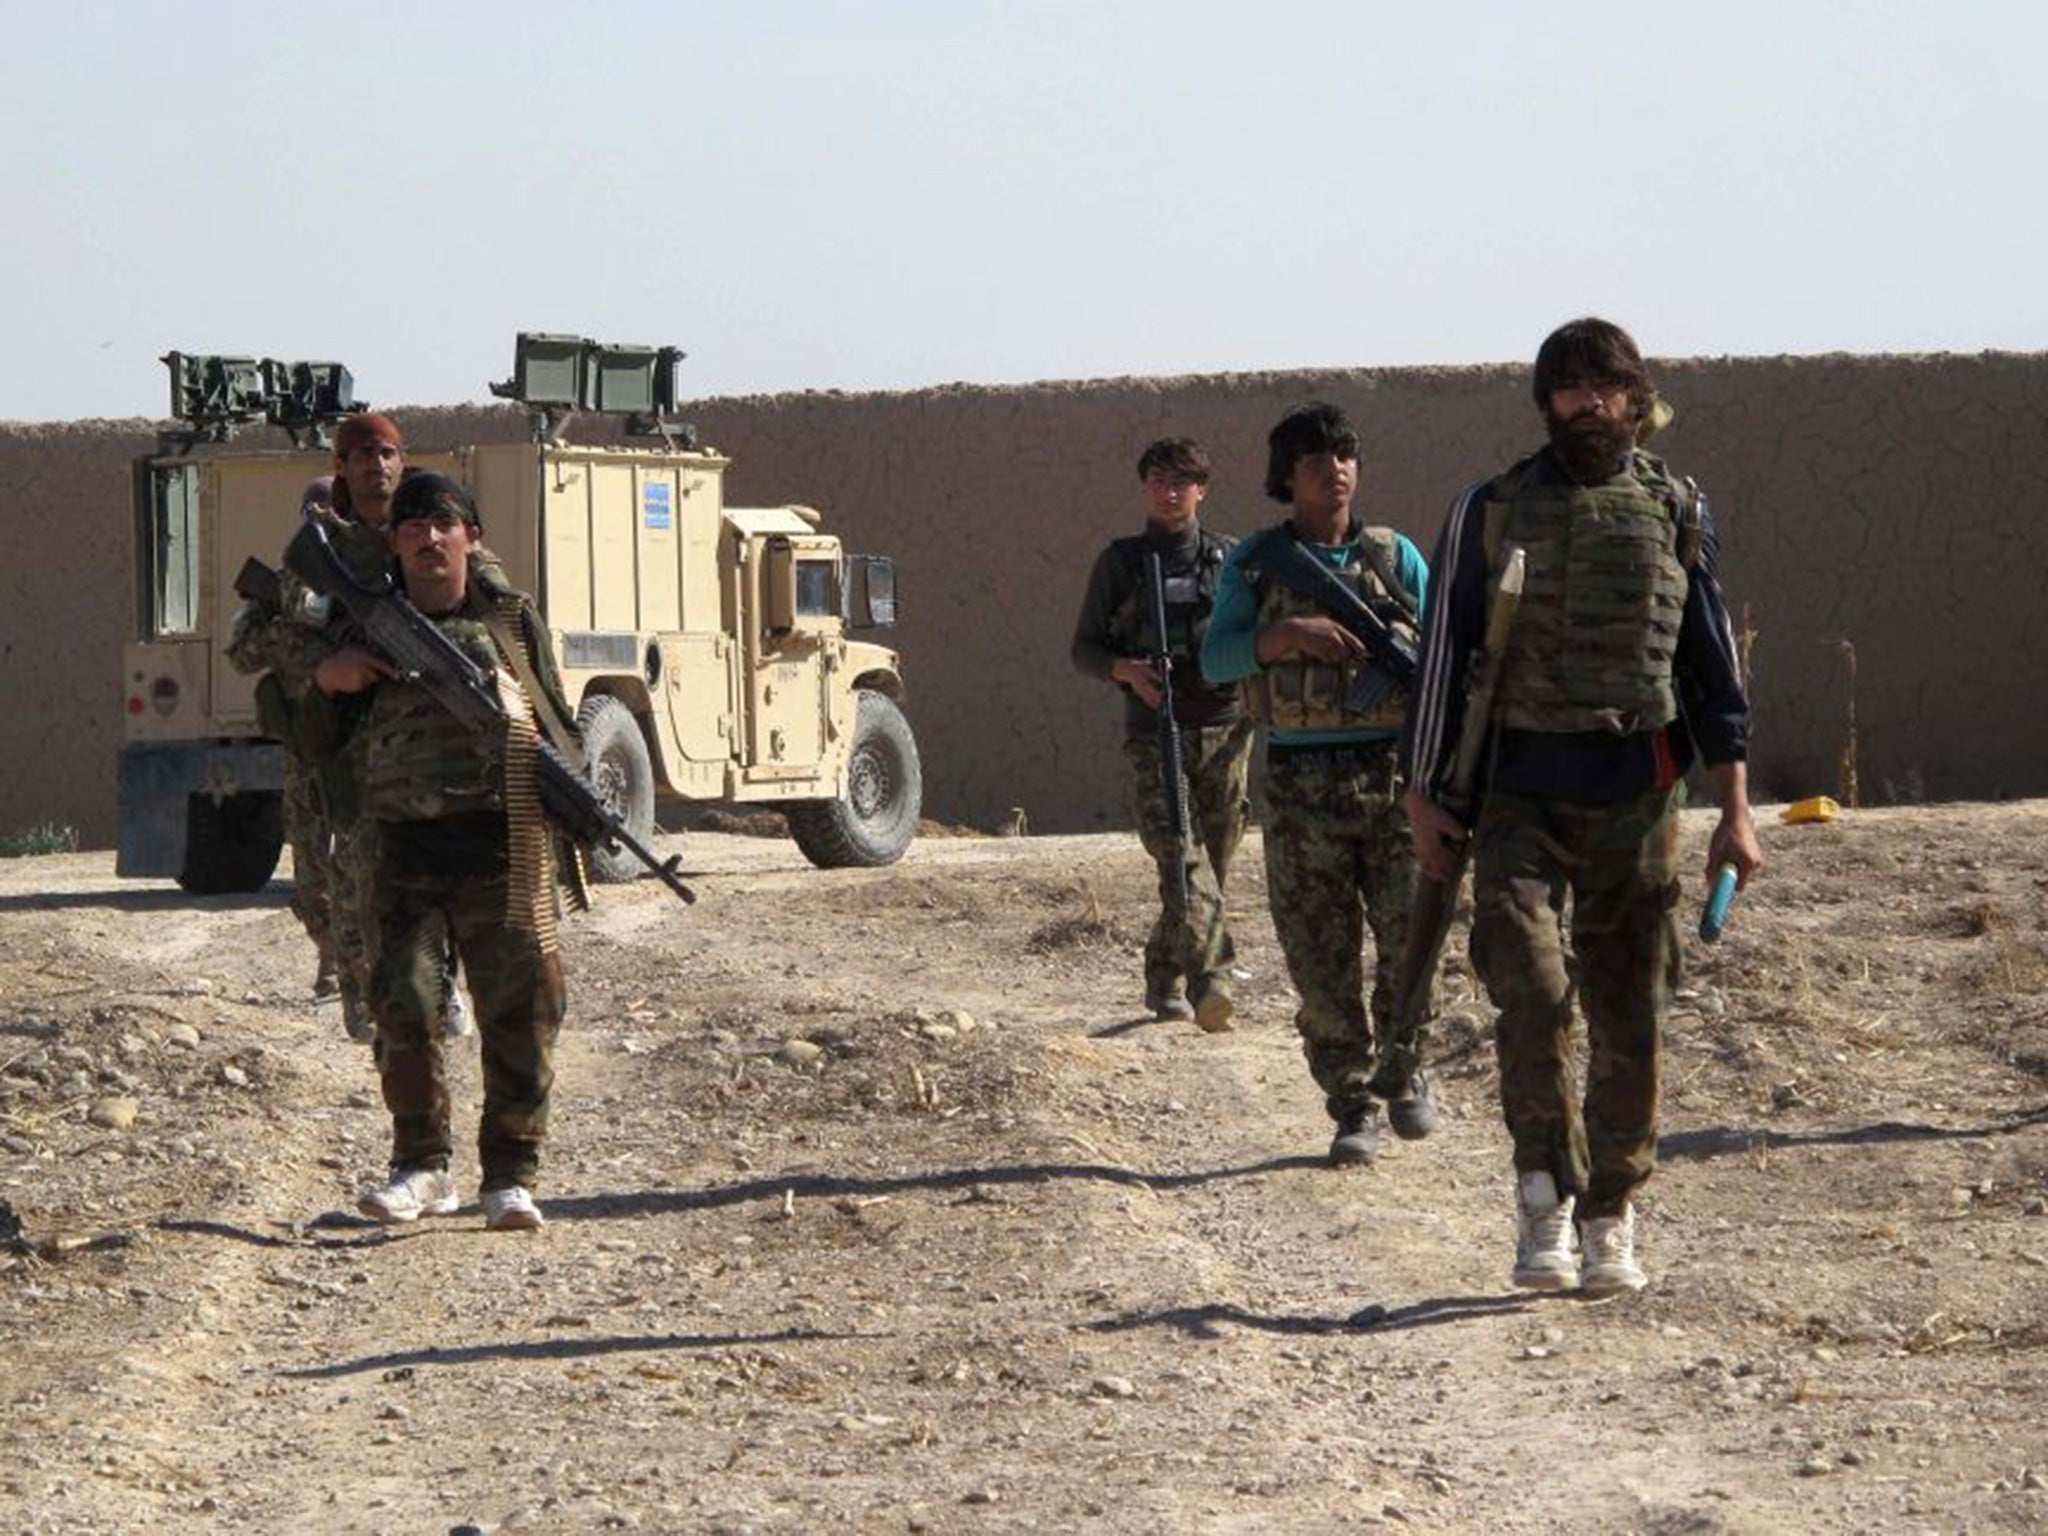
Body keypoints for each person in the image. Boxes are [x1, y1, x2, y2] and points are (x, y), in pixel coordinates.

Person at [1400, 317, 1762, 1296]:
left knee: (1627, 1009)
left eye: (1603, 388)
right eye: (1566, 390)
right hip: (1516, 792)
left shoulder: (1677, 508)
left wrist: (1733, 810)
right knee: (1528, 989)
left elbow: (1708, 673)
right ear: (1544, 405)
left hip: (1637, 796)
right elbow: (1443, 658)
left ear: (1636, 401)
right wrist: (1419, 794)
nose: (1585, 405)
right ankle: (1540, 1197)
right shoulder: (1488, 508)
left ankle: (1610, 1211)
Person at [319, 472, 575, 1231]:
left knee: (522, 1008)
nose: (429, 539)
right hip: (401, 849)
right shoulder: (360, 623)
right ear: (392, 542)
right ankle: (422, 1168)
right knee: (404, 1006)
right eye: (411, 527)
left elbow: (560, 730)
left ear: (472, 537)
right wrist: (327, 681)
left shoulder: (510, 624)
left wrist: (511, 709)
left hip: (503, 846)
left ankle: (510, 1175)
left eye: (443, 524)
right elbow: (311, 740)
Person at [1201, 403, 1434, 1166]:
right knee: (1319, 956)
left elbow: (1447, 655)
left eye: (1343, 455)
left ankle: (1405, 1070)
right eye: (1314, 460)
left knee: (1411, 939)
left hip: (1393, 777)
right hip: (1301, 783)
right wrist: (1284, 636)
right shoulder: (1259, 564)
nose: (1333, 469)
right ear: (1286, 478)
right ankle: (1352, 1103)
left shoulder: (1394, 557)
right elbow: (1215, 661)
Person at [226, 414, 470, 1043]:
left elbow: (483, 613)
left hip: (429, 748)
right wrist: (327, 666)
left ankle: (440, 990)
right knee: (349, 883)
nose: (375, 466)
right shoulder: (322, 555)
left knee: (444, 876)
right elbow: (248, 645)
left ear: (402, 459)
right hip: (343, 748)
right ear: (340, 467)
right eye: (359, 455)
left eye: (386, 453)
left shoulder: (431, 531)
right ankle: (365, 992)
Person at [1071, 438, 1254, 1030]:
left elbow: (1257, 636)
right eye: (1157, 480)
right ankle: (1213, 980)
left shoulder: (1230, 560)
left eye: (1181, 481)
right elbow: (1085, 648)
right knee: (1179, 854)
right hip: (1156, 731)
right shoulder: (1121, 563)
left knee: (1212, 866)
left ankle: (1163, 970)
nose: (1168, 491)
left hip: (1224, 730)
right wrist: (1125, 670)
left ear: (1202, 489)